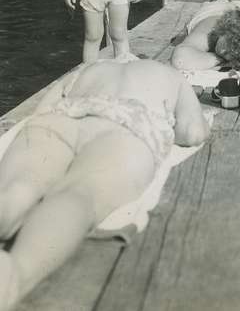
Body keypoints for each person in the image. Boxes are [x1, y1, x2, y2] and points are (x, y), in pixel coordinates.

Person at [0, 58, 210, 309]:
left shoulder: (91, 67)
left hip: (65, 114)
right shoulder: (172, 76)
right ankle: (15, 275)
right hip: (130, 123)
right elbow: (193, 133)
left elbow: (43, 109)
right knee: (78, 193)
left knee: (22, 186)